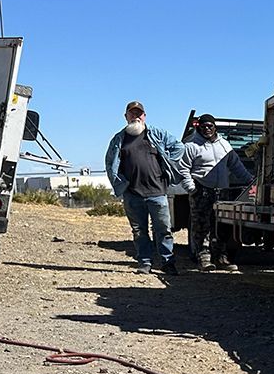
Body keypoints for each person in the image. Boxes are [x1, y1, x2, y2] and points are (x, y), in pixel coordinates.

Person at [104, 101, 190, 275]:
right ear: (126, 116)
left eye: (139, 113)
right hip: (132, 194)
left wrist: (167, 162)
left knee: (163, 230)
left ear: (144, 116)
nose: (136, 116)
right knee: (139, 231)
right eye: (132, 113)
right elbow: (110, 163)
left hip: (157, 192)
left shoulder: (156, 134)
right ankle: (144, 263)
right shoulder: (119, 139)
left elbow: (179, 147)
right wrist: (121, 184)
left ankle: (168, 263)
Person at [181, 114, 253, 271]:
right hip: (201, 190)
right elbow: (182, 168)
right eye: (203, 126)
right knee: (201, 226)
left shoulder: (224, 145)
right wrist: (191, 188)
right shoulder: (191, 145)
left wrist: (251, 181)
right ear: (198, 127)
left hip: (222, 192)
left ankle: (221, 257)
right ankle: (204, 258)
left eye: (210, 126)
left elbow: (236, 166)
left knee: (221, 226)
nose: (207, 128)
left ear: (215, 128)